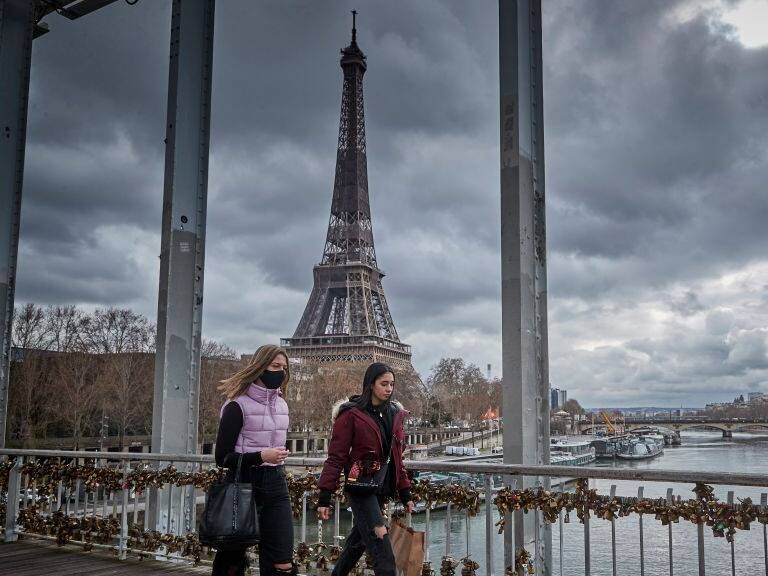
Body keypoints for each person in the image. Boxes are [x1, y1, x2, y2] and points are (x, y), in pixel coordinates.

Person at [316, 363, 415, 576]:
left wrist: (405, 492)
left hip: (381, 489)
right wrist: (325, 495)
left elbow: (397, 459)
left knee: (356, 544)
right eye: (384, 384)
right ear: (370, 385)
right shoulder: (351, 415)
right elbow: (336, 457)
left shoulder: (395, 414)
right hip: (361, 489)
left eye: (392, 384)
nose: (389, 389)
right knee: (385, 558)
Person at [212, 344, 295, 576]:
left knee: (283, 561)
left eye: (284, 368)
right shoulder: (236, 405)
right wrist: (261, 456)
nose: (281, 372)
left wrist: (276, 457)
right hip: (243, 483)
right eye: (275, 366)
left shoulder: (282, 404)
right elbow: (222, 457)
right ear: (260, 367)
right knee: (233, 557)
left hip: (276, 482)